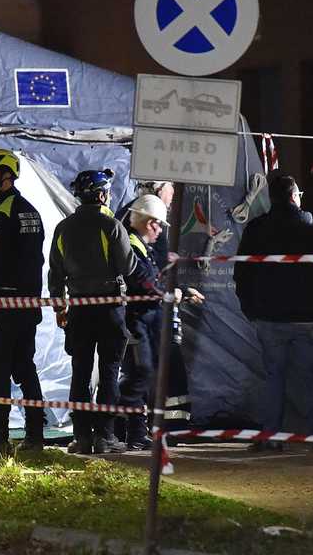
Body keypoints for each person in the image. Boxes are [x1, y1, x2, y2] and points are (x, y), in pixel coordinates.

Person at [234, 175, 313, 443]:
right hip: (307, 316)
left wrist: (250, 308)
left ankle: (271, 434)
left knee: (274, 377)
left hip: (268, 316)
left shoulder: (256, 230)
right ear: (294, 196)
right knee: (310, 378)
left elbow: (242, 273)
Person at [48, 169, 136, 454]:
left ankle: (82, 436)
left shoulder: (63, 228)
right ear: (101, 195)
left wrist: (59, 307)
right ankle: (105, 436)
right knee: (110, 371)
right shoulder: (111, 225)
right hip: (109, 308)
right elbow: (128, 267)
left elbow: (55, 273)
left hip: (78, 310)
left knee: (80, 372)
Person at [0, 148, 45, 454]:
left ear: (7, 175)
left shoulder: (4, 212)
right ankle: (35, 435)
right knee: (24, 367)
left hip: (4, 305)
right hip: (28, 305)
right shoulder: (30, 210)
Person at [119, 192, 196, 450]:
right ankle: (130, 431)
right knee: (141, 374)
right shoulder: (131, 245)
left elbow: (155, 279)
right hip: (136, 321)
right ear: (151, 223)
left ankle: (136, 433)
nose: (161, 231)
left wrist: (180, 290)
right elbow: (144, 281)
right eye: (160, 226)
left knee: (143, 375)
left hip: (144, 320)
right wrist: (172, 294)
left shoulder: (142, 247)